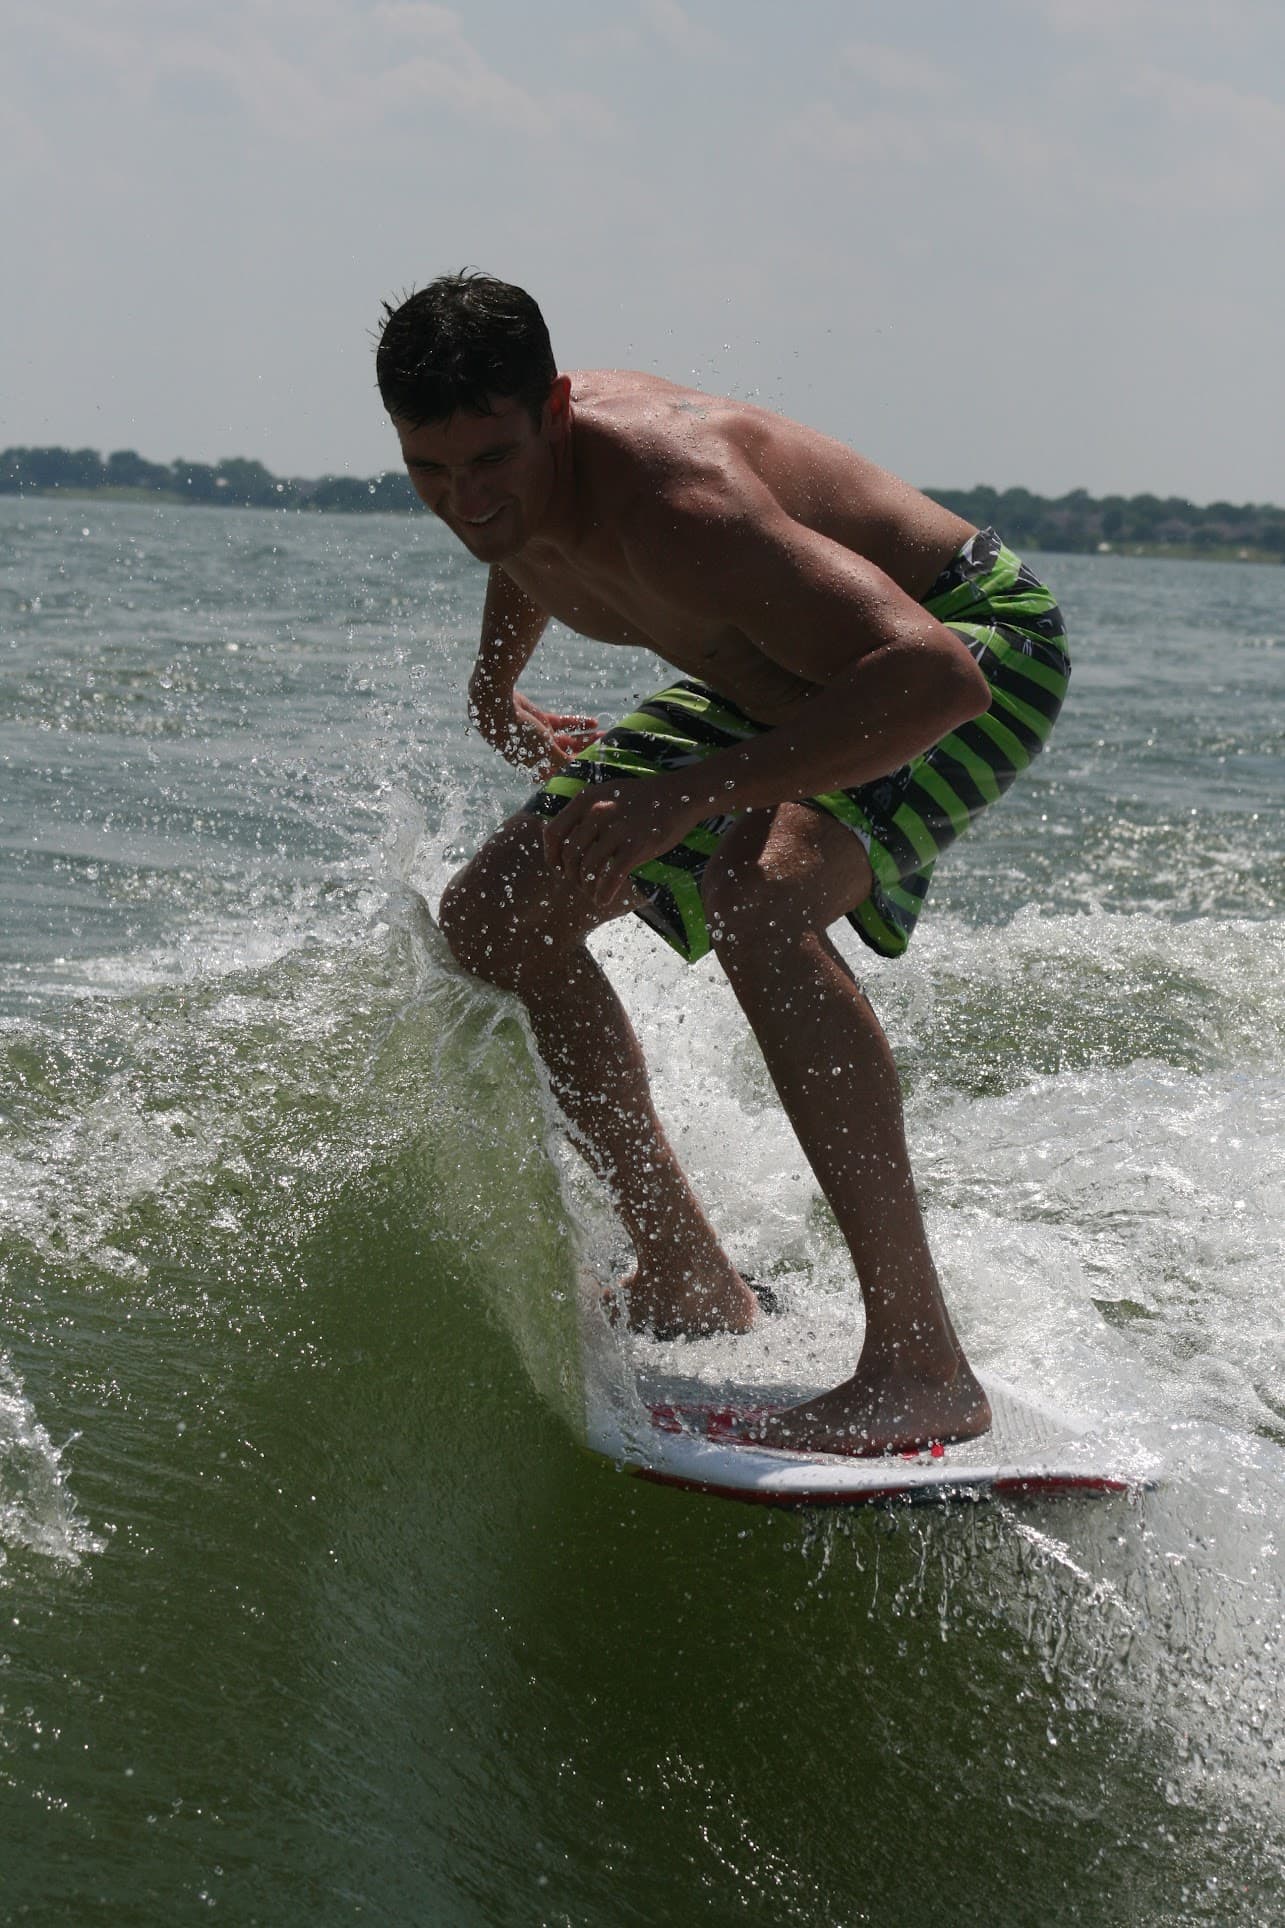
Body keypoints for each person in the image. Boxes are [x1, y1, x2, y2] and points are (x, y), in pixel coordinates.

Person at [376, 271, 1070, 1456]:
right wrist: (496, 684)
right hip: (775, 680)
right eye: (430, 473)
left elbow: (934, 678)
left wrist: (679, 797)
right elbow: (521, 537)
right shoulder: (511, 483)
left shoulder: (679, 502)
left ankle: (922, 1363)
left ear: (554, 413)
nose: (466, 503)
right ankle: (688, 1271)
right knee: (498, 911)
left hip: (961, 650)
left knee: (753, 898)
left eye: (488, 461)